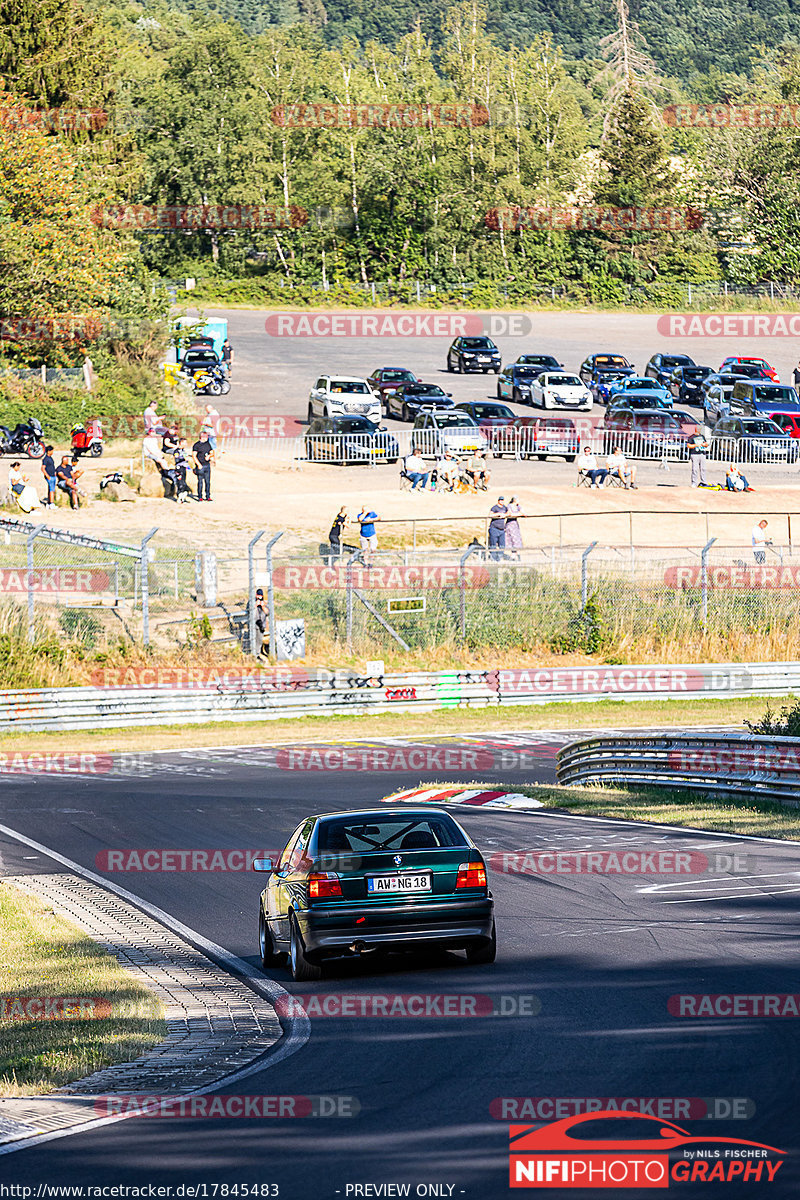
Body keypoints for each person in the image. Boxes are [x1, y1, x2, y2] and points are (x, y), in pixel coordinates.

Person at [191, 430, 215, 501]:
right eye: (206, 436)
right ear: (202, 437)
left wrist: (210, 456)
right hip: (200, 466)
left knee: (207, 482)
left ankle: (208, 496)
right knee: (200, 482)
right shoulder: (196, 445)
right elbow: (194, 456)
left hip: (207, 465)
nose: (207, 438)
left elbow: (212, 452)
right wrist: (198, 465)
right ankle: (200, 496)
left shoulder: (208, 444)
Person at [488, 496, 508, 560]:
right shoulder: (494, 508)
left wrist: (505, 515)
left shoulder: (505, 507)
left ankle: (499, 558)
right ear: (498, 501)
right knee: (493, 544)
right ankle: (493, 558)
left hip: (502, 529)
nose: (502, 501)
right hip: (494, 528)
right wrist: (498, 514)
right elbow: (490, 515)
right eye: (500, 500)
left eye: (503, 500)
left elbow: (509, 512)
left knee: (502, 545)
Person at [252, 586, 268, 657]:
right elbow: (249, 611)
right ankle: (254, 655)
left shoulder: (264, 603)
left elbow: (268, 612)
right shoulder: (252, 602)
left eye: (260, 595)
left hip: (261, 625)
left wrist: (263, 606)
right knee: (254, 640)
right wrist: (255, 605)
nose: (259, 597)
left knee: (259, 640)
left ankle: (257, 654)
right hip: (254, 625)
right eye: (258, 595)